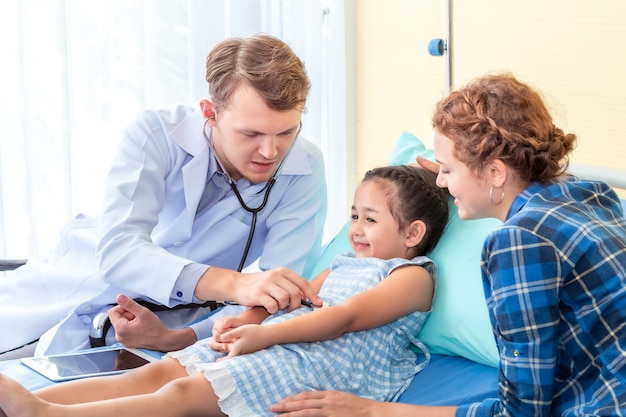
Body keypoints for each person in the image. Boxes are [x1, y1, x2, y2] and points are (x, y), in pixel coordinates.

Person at [270, 73, 626, 416]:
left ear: (495, 173)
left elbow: (518, 412)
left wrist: (373, 410)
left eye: (447, 169)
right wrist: (444, 177)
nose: (440, 179)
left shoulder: (517, 242)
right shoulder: (590, 195)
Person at [0, 165, 450, 417]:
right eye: (353, 215)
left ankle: (45, 416)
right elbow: (295, 301)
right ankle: (29, 403)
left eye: (370, 219)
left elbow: (344, 319)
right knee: (155, 374)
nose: (355, 229)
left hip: (324, 362)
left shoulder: (412, 277)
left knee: (179, 397)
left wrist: (265, 335)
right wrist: (245, 322)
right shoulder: (343, 263)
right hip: (279, 342)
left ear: (413, 233)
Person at [0, 34, 328, 358]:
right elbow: (120, 252)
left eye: (286, 132)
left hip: (166, 319)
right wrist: (236, 284)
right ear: (210, 114)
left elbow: (278, 296)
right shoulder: (156, 134)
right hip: (68, 284)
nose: (270, 152)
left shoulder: (306, 169)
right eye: (250, 133)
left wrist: (176, 338)